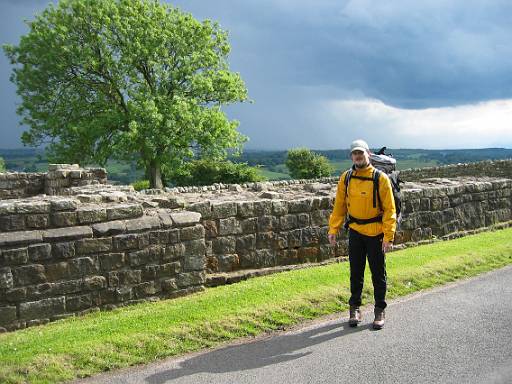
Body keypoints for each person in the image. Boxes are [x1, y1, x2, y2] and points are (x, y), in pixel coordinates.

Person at [328, 139, 396, 330]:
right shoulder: (346, 178)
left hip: (376, 233)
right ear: (351, 156)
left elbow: (390, 209)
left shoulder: (380, 178)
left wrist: (388, 236)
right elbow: (339, 205)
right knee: (356, 272)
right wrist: (334, 228)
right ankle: (355, 308)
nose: (358, 156)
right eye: (354, 153)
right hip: (356, 231)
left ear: (368, 154)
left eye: (361, 153)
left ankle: (379, 310)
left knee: (378, 274)